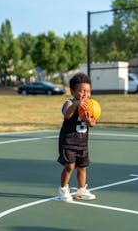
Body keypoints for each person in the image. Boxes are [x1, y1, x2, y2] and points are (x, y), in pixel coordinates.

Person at [58, 72, 96, 202]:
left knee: (82, 167)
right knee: (70, 167)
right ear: (73, 92)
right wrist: (76, 104)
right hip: (68, 141)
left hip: (82, 142)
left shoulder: (91, 105)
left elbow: (93, 123)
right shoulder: (69, 102)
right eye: (82, 91)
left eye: (88, 91)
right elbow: (67, 115)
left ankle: (81, 189)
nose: (85, 94)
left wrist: (88, 120)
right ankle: (63, 188)